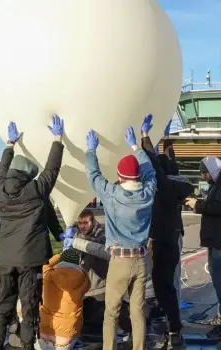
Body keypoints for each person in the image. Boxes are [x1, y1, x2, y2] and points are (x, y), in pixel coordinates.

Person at [0, 116, 66, 350]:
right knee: (29, 304)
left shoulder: (0, 189)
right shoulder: (35, 190)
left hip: (7, 259)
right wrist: (58, 139)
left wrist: (9, 145)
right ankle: (27, 345)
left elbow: (2, 169)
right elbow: (52, 170)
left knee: (3, 303)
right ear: (28, 176)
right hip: (29, 261)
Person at [85, 125, 157, 350]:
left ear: (119, 176)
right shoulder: (147, 193)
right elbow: (150, 172)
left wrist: (91, 151)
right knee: (137, 311)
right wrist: (136, 146)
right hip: (142, 260)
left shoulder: (112, 195)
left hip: (120, 260)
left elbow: (93, 175)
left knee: (111, 312)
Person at [139, 115, 194, 348]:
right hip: (173, 238)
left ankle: (171, 326)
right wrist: (166, 138)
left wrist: (143, 139)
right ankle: (173, 326)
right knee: (168, 285)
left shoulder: (164, 185)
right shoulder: (178, 183)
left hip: (162, 240)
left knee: (162, 286)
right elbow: (170, 161)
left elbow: (155, 165)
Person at [184, 156, 221, 341]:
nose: (204, 176)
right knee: (220, 282)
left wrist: (197, 204)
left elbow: (219, 207)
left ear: (213, 169)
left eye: (206, 172)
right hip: (218, 240)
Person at [38, 248, 91, 350]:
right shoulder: (84, 279)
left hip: (44, 330)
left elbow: (46, 263)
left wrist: (59, 255)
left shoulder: (48, 274)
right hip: (66, 336)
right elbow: (87, 279)